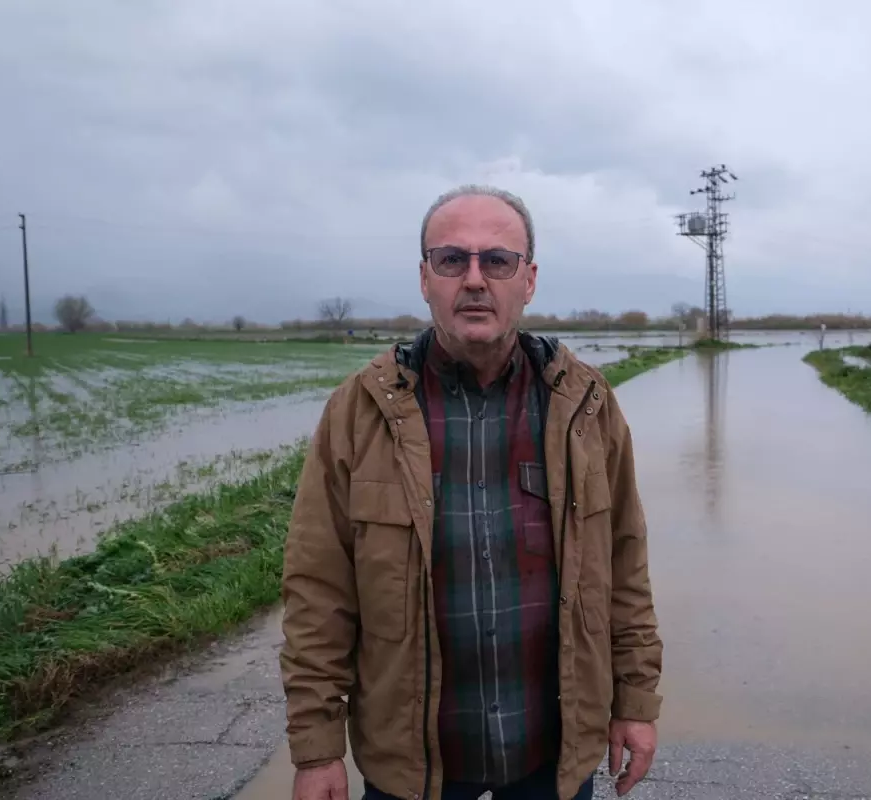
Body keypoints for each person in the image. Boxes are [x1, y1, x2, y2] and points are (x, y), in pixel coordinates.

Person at [279, 185, 664, 800]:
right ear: (425, 278)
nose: (475, 280)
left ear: (529, 279)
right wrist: (317, 747)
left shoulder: (586, 406)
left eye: (498, 261)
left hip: (553, 756)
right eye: (453, 260)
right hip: (412, 767)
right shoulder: (360, 411)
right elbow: (318, 590)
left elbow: (625, 568)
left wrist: (635, 700)